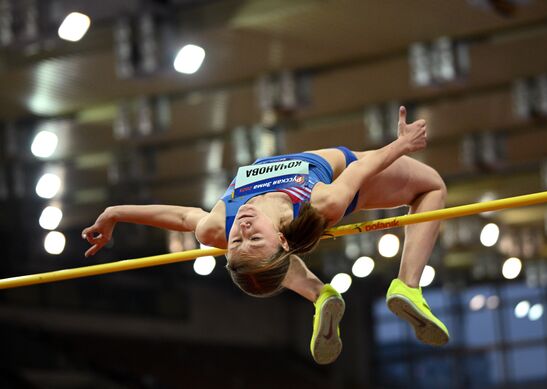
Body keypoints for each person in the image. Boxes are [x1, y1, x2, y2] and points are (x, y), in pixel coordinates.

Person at [82, 106, 449, 364]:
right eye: (253, 238)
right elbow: (364, 169)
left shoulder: (218, 226)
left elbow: (180, 215)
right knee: (432, 186)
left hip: (291, 225)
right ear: (284, 241)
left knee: (255, 267)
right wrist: (401, 145)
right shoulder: (323, 202)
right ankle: (407, 285)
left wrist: (115, 212)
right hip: (345, 174)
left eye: (237, 242)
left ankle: (321, 295)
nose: (241, 230)